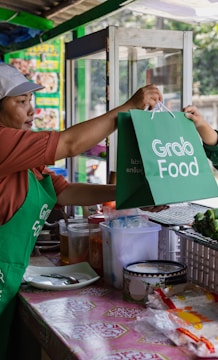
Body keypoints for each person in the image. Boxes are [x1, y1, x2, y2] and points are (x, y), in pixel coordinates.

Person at [0, 62, 164, 358]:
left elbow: (65, 192)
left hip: (8, 278)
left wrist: (134, 194)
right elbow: (70, 143)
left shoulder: (22, 155)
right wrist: (127, 109)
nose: (31, 110)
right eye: (20, 102)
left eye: (31, 101)